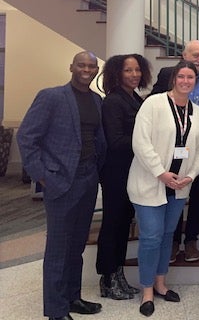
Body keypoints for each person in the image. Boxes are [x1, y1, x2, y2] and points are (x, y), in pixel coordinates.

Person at [17, 51, 107, 320]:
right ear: (71, 67)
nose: (87, 70)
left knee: (77, 245)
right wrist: (43, 177)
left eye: (92, 66)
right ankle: (56, 310)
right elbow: (26, 138)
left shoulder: (97, 100)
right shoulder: (51, 96)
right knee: (58, 247)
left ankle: (72, 297)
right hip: (60, 181)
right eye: (82, 65)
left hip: (88, 178)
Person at [128, 60, 199, 317]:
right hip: (150, 182)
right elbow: (140, 142)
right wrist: (160, 173)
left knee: (167, 235)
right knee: (151, 237)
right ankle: (147, 289)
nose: (186, 81)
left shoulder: (196, 112)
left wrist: (191, 175)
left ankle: (161, 283)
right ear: (174, 78)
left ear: (195, 81)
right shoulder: (154, 103)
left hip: (178, 185)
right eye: (181, 76)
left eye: (191, 77)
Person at [150, 40, 199, 263]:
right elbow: (154, 98)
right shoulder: (167, 74)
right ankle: (172, 241)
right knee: (173, 194)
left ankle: (191, 240)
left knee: (197, 194)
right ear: (184, 55)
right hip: (170, 149)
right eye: (195, 55)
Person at [96, 54, 152, 300]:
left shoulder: (135, 98)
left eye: (137, 70)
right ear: (117, 73)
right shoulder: (113, 102)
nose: (134, 75)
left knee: (122, 226)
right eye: (128, 70)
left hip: (131, 172)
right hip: (116, 174)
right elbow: (116, 141)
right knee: (112, 225)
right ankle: (107, 278)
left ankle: (118, 273)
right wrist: (147, 143)